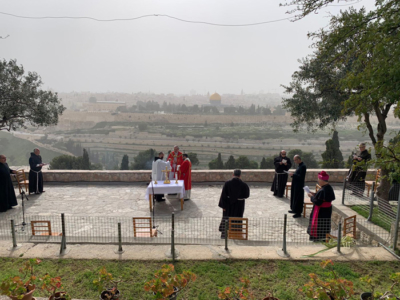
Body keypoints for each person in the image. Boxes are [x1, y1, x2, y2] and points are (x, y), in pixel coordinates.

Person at [218, 169, 250, 238]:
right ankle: (236, 234)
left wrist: (223, 206)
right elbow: (247, 195)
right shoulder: (244, 185)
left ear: (233, 174)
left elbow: (223, 195)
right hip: (239, 205)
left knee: (227, 218)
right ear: (240, 176)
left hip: (228, 204)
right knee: (237, 218)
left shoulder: (227, 183)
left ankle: (225, 234)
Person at [307, 171, 336, 242]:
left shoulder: (323, 190)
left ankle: (318, 238)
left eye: (318, 179)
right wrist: (314, 194)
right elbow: (321, 197)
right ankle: (325, 237)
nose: (318, 181)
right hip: (327, 210)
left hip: (321, 211)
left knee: (319, 224)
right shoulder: (329, 187)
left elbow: (318, 202)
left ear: (322, 180)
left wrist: (311, 197)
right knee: (325, 224)